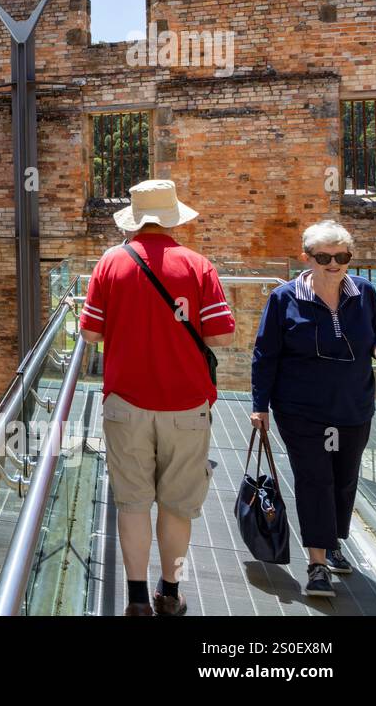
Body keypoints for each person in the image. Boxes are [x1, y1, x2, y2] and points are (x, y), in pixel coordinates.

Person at [79, 180, 235, 616]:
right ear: (172, 218)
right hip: (187, 405)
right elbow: (220, 335)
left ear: (134, 218)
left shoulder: (111, 262)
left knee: (131, 504)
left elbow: (91, 332)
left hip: (126, 404)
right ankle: (169, 592)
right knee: (177, 506)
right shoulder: (198, 265)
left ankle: (134, 600)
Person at [251, 220, 376, 598]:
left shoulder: (366, 292)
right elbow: (266, 354)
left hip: (353, 405)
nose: (334, 264)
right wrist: (260, 405)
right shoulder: (285, 298)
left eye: (342, 256)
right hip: (300, 408)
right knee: (315, 480)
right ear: (306, 257)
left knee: (344, 480)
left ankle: (333, 541)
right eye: (324, 257)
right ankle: (317, 563)